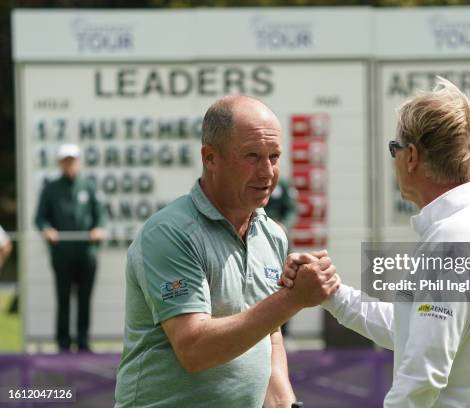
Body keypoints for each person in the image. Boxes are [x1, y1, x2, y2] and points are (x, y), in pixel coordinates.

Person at [283, 78, 470, 407]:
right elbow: (416, 331)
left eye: (394, 149)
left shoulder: (452, 238)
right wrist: (334, 295)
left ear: (412, 156)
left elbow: (423, 373)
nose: (395, 159)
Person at [114, 95, 339, 408]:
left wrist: (287, 405)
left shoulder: (272, 235)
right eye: (251, 156)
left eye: (274, 156)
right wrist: (292, 299)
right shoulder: (170, 233)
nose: (267, 172)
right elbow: (194, 349)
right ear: (210, 158)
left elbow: (269, 336)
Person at [34, 144, 105, 352]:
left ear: (78, 161)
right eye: (65, 160)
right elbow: (40, 218)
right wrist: (47, 230)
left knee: (85, 298)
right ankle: (63, 342)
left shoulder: (89, 186)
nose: (69, 164)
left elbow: (101, 214)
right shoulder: (50, 189)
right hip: (62, 254)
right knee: (63, 297)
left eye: (72, 160)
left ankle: (83, 341)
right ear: (59, 163)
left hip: (87, 253)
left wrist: (99, 228)